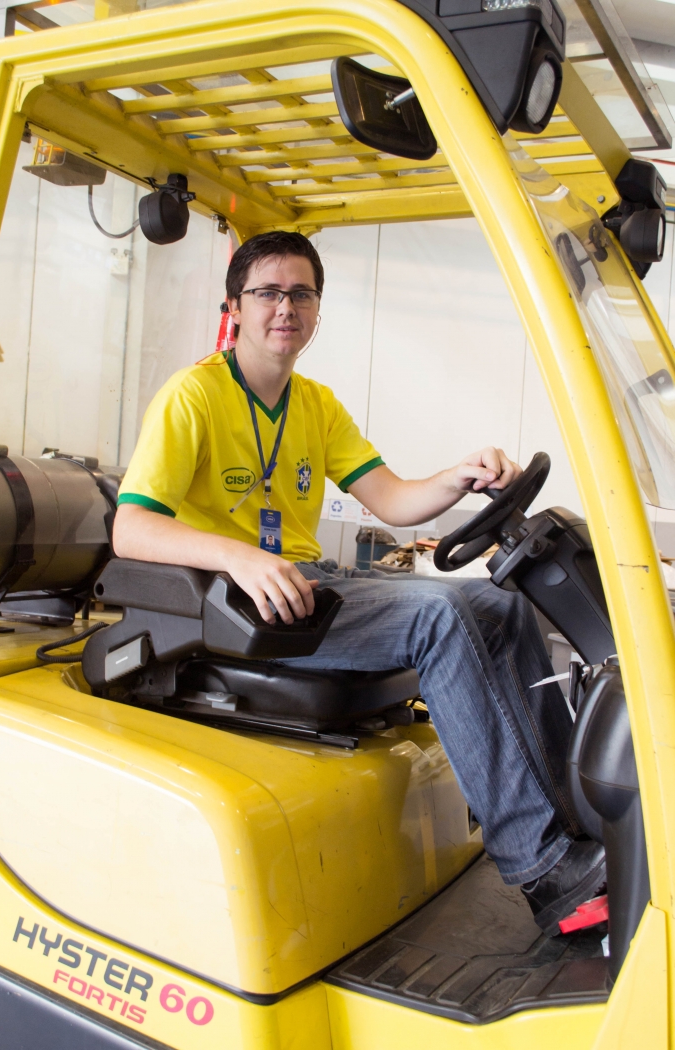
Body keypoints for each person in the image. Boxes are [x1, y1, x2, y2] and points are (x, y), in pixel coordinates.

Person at [114, 230, 605, 936]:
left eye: (301, 294)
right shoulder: (191, 396)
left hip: (306, 587)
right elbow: (131, 529)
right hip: (237, 603)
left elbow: (393, 499)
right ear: (235, 306)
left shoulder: (315, 404)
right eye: (268, 293)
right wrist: (239, 557)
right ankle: (540, 866)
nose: (286, 307)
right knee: (439, 618)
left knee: (499, 601)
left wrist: (458, 476)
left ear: (317, 310)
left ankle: (576, 818)